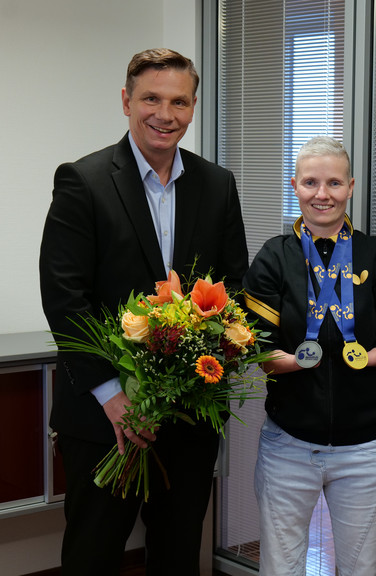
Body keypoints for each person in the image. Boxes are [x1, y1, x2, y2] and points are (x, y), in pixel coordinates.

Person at [39, 48, 248, 576]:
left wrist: (201, 372)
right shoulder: (83, 180)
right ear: (126, 101)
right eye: (151, 98)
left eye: (179, 101)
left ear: (194, 107)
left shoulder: (218, 185)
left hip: (189, 417)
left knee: (178, 556)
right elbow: (65, 299)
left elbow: (233, 289)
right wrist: (114, 397)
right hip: (104, 417)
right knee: (93, 556)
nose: (165, 114)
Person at [242, 136, 376, 576]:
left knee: (361, 569)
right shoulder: (275, 256)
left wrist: (367, 357)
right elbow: (254, 343)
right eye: (311, 182)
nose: (323, 194)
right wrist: (294, 362)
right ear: (294, 185)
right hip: (288, 446)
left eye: (334, 183)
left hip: (365, 450)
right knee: (281, 569)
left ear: (350, 186)